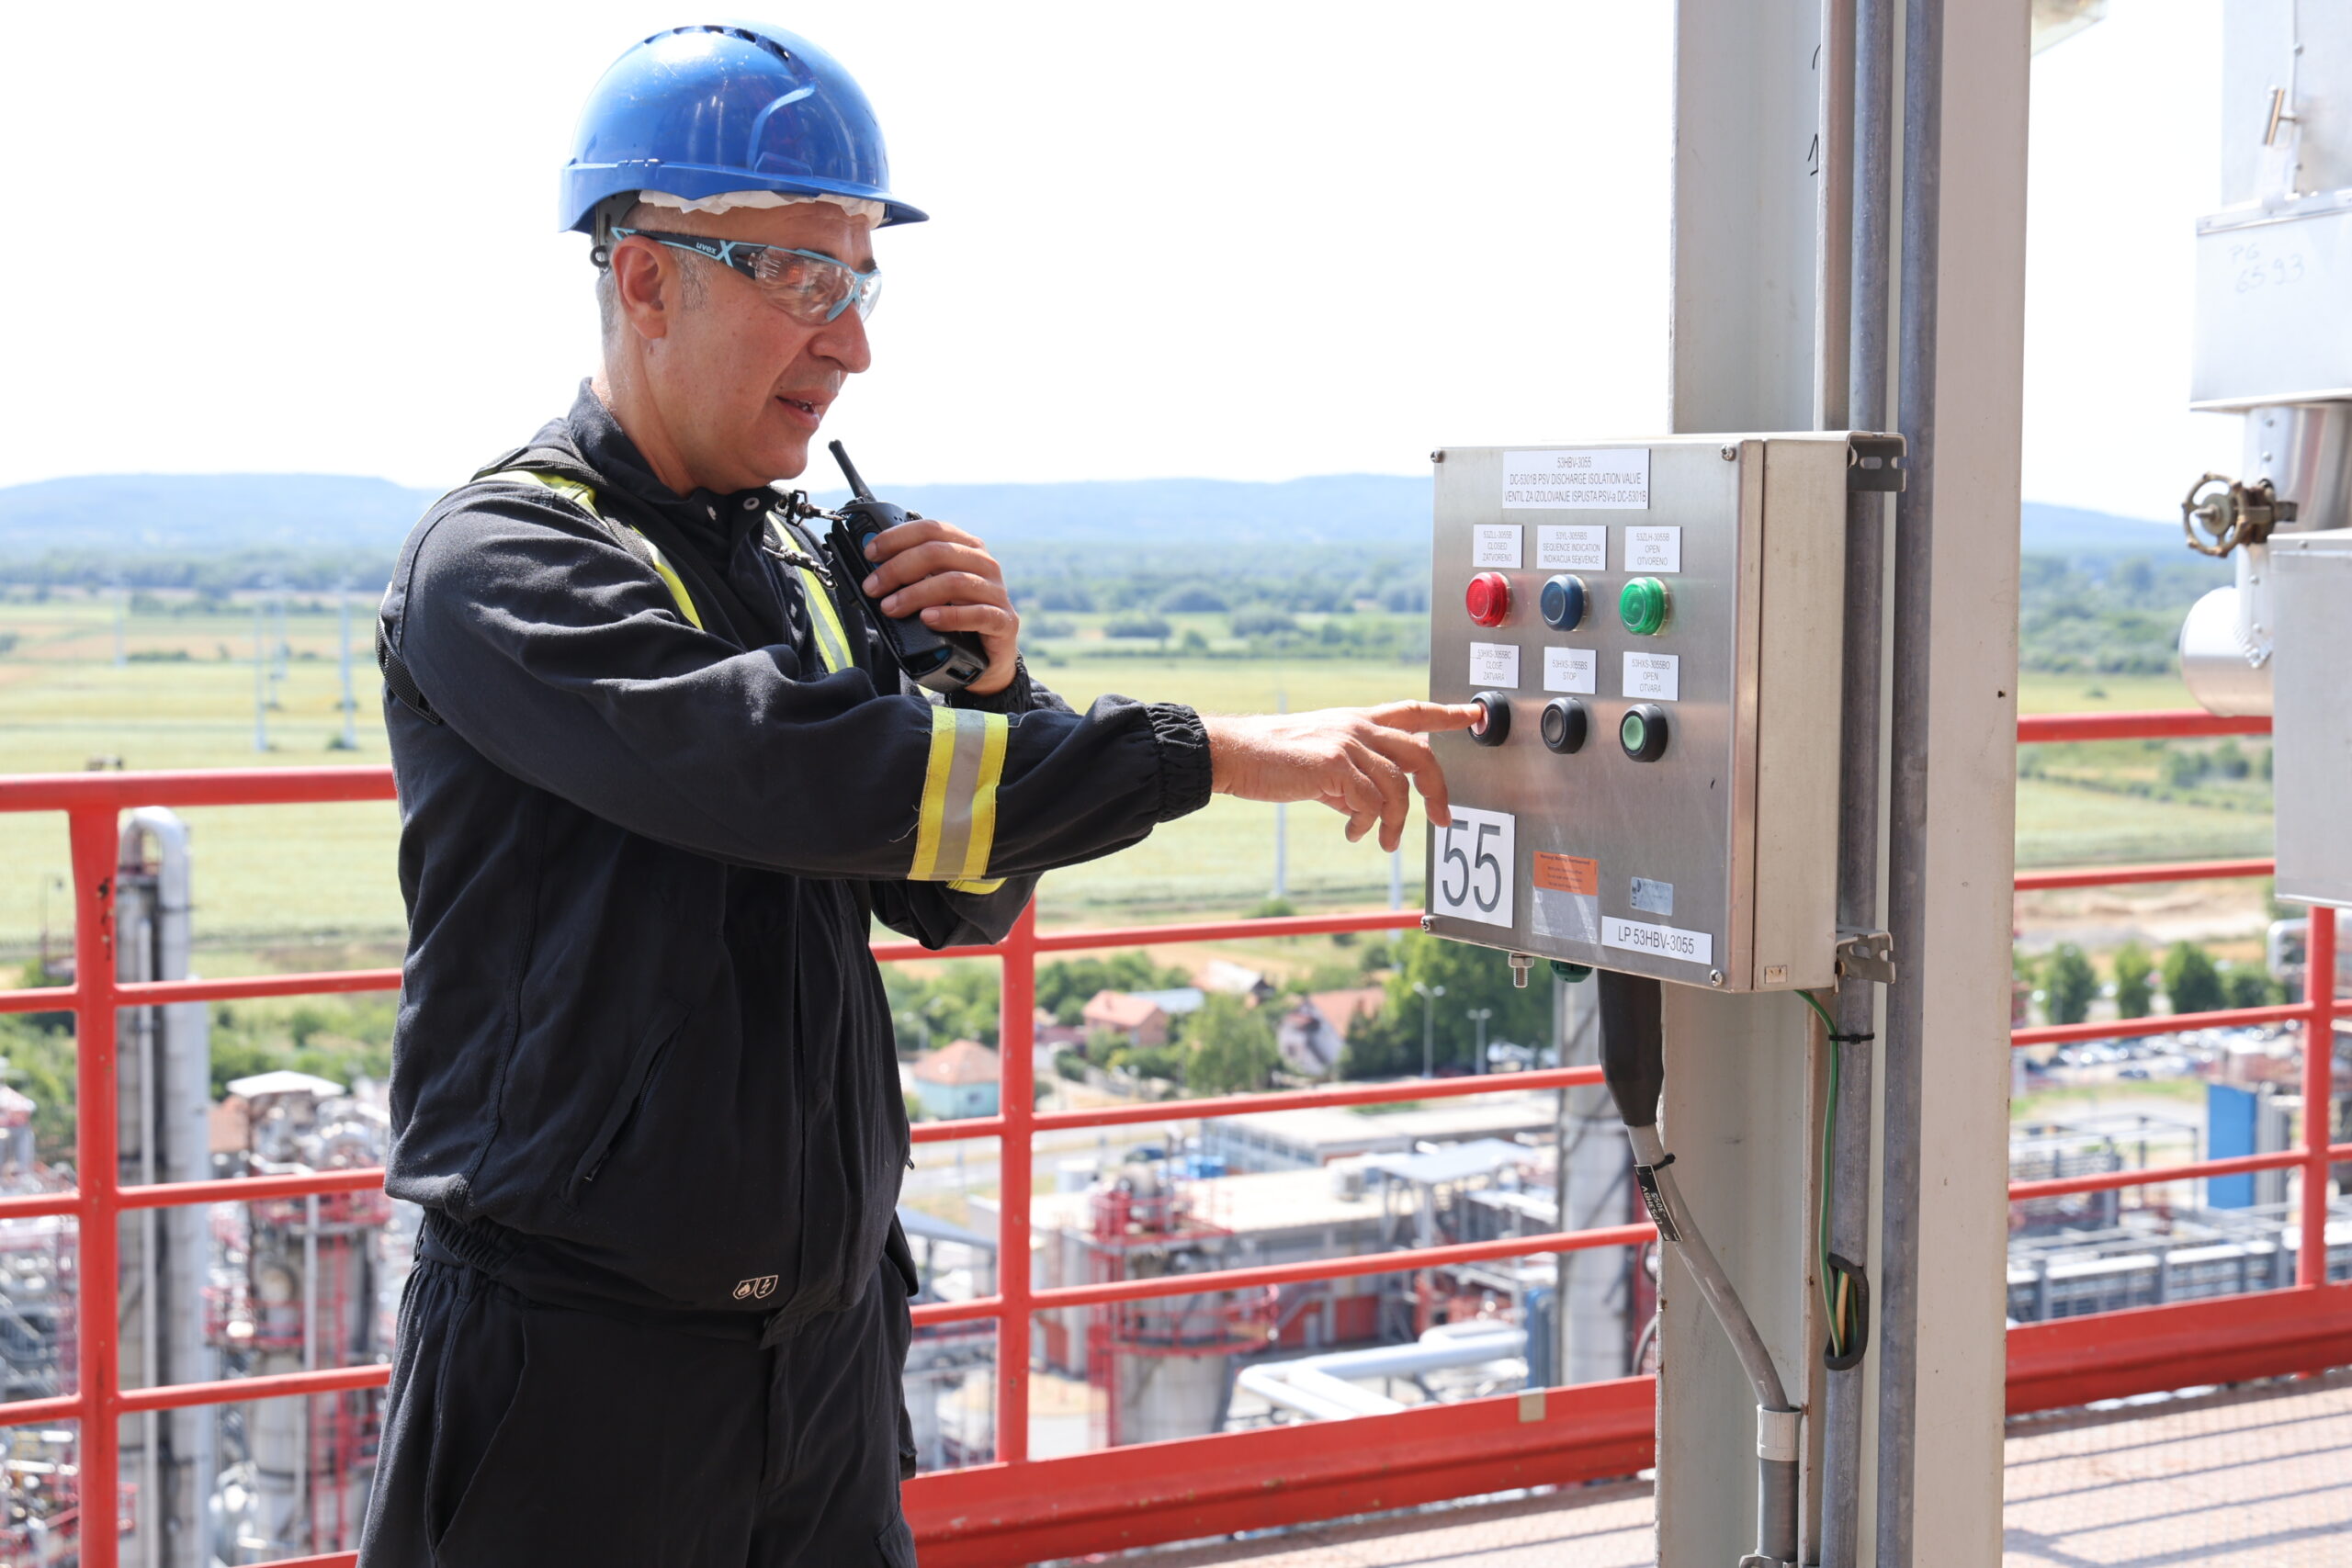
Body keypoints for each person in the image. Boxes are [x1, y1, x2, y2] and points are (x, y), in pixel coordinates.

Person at [356, 22, 1475, 1567]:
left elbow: (951, 895)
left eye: (861, 286)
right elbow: (799, 777)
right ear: (646, 278)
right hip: (585, 1368)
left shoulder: (791, 562)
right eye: (801, 279)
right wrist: (1207, 750)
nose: (851, 346)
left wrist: (995, 691)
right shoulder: (508, 564)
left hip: (818, 1351)